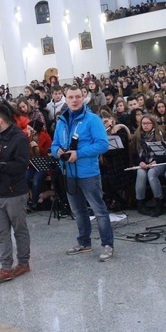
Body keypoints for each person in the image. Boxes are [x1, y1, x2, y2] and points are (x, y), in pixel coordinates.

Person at [51, 85, 113, 262]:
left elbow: (102, 145)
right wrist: (59, 153)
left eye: (78, 96)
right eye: (71, 97)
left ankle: (107, 245)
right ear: (66, 98)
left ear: (83, 98)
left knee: (99, 210)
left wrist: (79, 153)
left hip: (88, 173)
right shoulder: (62, 121)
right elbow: (55, 144)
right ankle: (84, 242)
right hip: (69, 173)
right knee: (78, 211)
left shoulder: (92, 119)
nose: (74, 100)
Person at [0, 104, 31, 284]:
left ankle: (24, 263)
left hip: (14, 194)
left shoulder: (19, 138)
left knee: (19, 230)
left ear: (0, 120)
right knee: (1, 233)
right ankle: (5, 268)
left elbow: (20, 167)